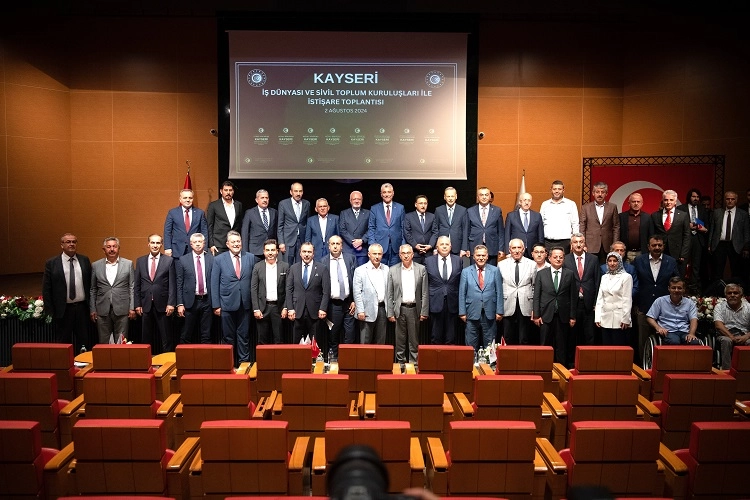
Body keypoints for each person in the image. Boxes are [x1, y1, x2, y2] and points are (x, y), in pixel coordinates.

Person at [632, 235, 680, 362]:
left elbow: (676, 283)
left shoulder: (671, 261)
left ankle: (663, 366)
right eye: (654, 245)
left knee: (665, 341)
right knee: (643, 341)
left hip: (665, 310)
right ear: (648, 247)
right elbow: (634, 283)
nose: (657, 247)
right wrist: (636, 305)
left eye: (659, 245)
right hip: (643, 307)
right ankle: (643, 367)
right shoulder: (639, 260)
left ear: (663, 246)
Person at [211, 230, 253, 364]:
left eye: (238, 241)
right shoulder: (219, 259)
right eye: (233, 242)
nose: (236, 244)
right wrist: (216, 305)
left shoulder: (250, 257)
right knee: (228, 337)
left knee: (244, 336)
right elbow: (214, 283)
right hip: (226, 304)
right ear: (227, 244)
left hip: (245, 304)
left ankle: (244, 364)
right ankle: (228, 364)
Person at [42, 233, 92, 347]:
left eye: (74, 242)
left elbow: (90, 284)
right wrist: (50, 311)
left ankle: (83, 359)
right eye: (68, 242)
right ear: (62, 245)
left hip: (82, 309)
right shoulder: (52, 263)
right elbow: (46, 289)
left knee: (84, 341)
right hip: (63, 310)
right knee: (63, 343)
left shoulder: (84, 260)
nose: (71, 244)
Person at [533, 247, 578, 365]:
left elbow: (573, 296)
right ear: (549, 258)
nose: (558, 259)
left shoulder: (569, 274)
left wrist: (572, 316)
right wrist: (536, 315)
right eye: (555, 257)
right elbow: (536, 296)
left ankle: (561, 370)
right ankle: (543, 367)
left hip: (563, 315)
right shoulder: (541, 274)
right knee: (544, 344)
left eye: (561, 257)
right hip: (545, 315)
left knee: (561, 345)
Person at [386, 244, 429, 365]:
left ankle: (414, 364)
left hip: (414, 309)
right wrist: (390, 312)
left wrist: (424, 311)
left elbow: (425, 292)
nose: (406, 256)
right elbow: (389, 294)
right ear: (400, 255)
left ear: (412, 254)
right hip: (399, 309)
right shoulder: (393, 270)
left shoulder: (421, 269)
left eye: (408, 253)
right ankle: (400, 364)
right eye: (403, 253)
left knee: (414, 340)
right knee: (399, 339)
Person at [134, 234, 176, 353]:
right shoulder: (140, 261)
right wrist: (137, 304)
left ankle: (167, 360)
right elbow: (137, 285)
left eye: (158, 243)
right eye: (153, 243)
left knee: (166, 337)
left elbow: (172, 284)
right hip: (145, 304)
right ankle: (145, 361)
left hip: (163, 305)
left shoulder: (169, 261)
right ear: (148, 244)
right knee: (145, 337)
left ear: (161, 245)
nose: (155, 245)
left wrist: (171, 303)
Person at [89, 237, 135, 344]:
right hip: (102, 309)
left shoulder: (128, 264)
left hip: (122, 308)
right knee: (103, 342)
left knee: (122, 341)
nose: (112, 249)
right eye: (108, 247)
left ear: (119, 248)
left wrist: (132, 307)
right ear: (104, 249)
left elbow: (131, 287)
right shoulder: (96, 265)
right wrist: (92, 309)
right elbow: (93, 289)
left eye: (114, 246)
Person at [459, 245, 504, 352]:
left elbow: (499, 292)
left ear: (487, 256)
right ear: (474, 256)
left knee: (490, 346)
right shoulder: (466, 271)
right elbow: (462, 293)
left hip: (490, 313)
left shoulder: (495, 270)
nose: (481, 258)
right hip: (471, 312)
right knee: (470, 346)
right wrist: (462, 312)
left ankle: (489, 362)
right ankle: (472, 362)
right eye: (478, 255)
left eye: (483, 255)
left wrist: (500, 311)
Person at [286, 241, 330, 345]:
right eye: (304, 251)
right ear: (300, 253)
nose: (306, 254)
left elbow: (326, 291)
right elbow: (289, 290)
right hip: (297, 311)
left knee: (315, 345)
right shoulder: (293, 268)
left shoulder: (322, 268)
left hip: (315, 312)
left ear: (313, 254)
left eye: (309, 252)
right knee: (296, 345)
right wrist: (290, 309)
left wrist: (323, 308)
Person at [176, 233, 214, 345]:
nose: (198, 244)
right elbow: (179, 283)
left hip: (207, 301)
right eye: (195, 242)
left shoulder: (211, 259)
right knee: (186, 334)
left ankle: (206, 355)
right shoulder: (183, 260)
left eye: (200, 242)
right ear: (191, 244)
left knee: (206, 334)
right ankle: (184, 356)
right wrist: (180, 304)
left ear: (204, 243)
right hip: (190, 302)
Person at [563, 233, 599, 348]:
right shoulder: (565, 260)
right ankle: (571, 359)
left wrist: (596, 302)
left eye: (581, 242)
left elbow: (597, 282)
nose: (578, 245)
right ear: (571, 244)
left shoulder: (593, 259)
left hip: (589, 303)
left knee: (589, 335)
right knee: (572, 336)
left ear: (584, 243)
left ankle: (588, 359)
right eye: (575, 242)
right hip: (572, 304)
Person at [424, 236, 462, 345]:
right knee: (435, 338)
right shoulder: (428, 261)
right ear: (437, 247)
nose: (444, 247)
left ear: (451, 246)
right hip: (435, 302)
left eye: (447, 244)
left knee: (451, 338)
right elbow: (425, 284)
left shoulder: (458, 260)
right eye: (442, 244)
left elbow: (460, 282)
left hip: (453, 303)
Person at [708, 190, 750, 287]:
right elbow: (712, 230)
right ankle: (717, 291)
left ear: (736, 200)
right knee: (717, 270)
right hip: (719, 244)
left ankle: (735, 291)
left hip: (736, 245)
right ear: (724, 200)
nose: (730, 201)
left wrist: (746, 247)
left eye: (732, 199)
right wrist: (709, 244)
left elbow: (746, 232)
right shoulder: (717, 212)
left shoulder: (743, 214)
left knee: (736, 270)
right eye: (728, 199)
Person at [251, 239, 289, 345]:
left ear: (277, 251)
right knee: (262, 341)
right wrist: (256, 309)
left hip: (278, 308)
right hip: (263, 308)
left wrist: (286, 307)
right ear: (264, 251)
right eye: (267, 250)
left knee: (279, 340)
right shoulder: (257, 267)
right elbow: (253, 289)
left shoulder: (285, 266)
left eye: (272, 250)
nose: (270, 253)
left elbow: (288, 289)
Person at [498, 238, 535, 345]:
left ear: (523, 249)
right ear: (509, 250)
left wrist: (534, 308)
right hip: (507, 304)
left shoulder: (532, 264)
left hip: (526, 304)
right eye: (514, 248)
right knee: (507, 337)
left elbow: (534, 286)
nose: (517, 250)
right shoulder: (501, 265)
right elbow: (498, 288)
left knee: (524, 338)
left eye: (519, 247)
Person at [324, 235, 357, 352]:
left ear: (342, 246)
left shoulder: (351, 259)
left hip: (349, 303)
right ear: (328, 246)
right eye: (332, 244)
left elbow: (355, 281)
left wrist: (354, 300)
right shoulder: (323, 262)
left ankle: (347, 358)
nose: (335, 246)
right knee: (333, 334)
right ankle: (334, 358)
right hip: (333, 305)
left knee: (350, 334)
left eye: (338, 244)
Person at [353, 243, 390, 344]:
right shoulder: (360, 270)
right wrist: (360, 310)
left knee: (381, 342)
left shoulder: (387, 269)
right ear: (369, 254)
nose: (377, 256)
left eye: (379, 254)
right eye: (374, 254)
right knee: (365, 341)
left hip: (382, 309)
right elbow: (357, 292)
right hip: (366, 310)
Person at [646, 277, 700, 345]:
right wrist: (658, 328)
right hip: (668, 331)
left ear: (684, 289)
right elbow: (650, 317)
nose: (676, 290)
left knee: (694, 342)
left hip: (684, 331)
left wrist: (692, 333)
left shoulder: (690, 303)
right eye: (673, 288)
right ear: (669, 288)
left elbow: (693, 319)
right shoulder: (660, 301)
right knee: (674, 341)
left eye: (679, 288)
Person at [649, 189, 691, 275]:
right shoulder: (655, 215)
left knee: (677, 278)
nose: (668, 202)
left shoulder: (683, 215)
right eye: (666, 200)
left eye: (671, 200)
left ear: (675, 202)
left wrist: (683, 254)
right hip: (660, 252)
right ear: (663, 201)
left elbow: (687, 236)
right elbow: (652, 235)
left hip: (678, 254)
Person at [677, 188, 711, 294]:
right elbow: (677, 224)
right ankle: (681, 286)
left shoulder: (702, 209)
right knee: (683, 264)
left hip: (698, 238)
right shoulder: (681, 208)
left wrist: (705, 229)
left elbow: (707, 224)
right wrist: (687, 225)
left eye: (697, 197)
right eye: (693, 196)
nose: (696, 199)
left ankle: (694, 287)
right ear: (689, 197)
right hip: (685, 239)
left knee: (696, 265)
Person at [595, 252, 633, 346]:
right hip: (605, 317)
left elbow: (627, 299)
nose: (612, 263)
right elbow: (600, 298)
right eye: (610, 261)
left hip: (620, 318)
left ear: (619, 262)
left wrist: (626, 319)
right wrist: (598, 317)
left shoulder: (626, 277)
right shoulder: (604, 277)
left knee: (619, 347)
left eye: (615, 261)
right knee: (607, 347)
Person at [579, 181, 620, 263]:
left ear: (606, 193)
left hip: (607, 245)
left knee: (605, 268)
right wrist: (583, 244)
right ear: (593, 193)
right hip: (590, 245)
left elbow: (616, 227)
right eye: (597, 192)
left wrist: (615, 245)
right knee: (591, 268)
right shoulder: (585, 208)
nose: (600, 194)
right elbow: (582, 226)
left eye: (602, 192)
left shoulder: (612, 207)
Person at [463, 186, 505, 265]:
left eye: (486, 195)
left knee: (491, 270)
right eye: (481, 195)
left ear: (490, 196)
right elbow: (466, 231)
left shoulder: (497, 210)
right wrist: (466, 248)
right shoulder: (470, 211)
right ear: (477, 197)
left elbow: (501, 231)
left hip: (492, 247)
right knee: (474, 270)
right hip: (474, 246)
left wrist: (501, 248)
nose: (484, 197)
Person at [367, 182, 405, 266]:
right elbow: (371, 228)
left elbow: (403, 227)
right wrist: (372, 246)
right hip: (379, 247)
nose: (387, 194)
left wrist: (403, 245)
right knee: (380, 271)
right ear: (381, 194)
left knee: (395, 271)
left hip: (396, 246)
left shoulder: (400, 208)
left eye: (389, 192)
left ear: (393, 193)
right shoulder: (374, 208)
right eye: (384, 192)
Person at [714, 283, 750, 369]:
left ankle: (746, 369)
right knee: (726, 341)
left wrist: (746, 337)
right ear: (725, 295)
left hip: (744, 334)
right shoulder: (719, 306)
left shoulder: (748, 307)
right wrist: (731, 336)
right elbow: (718, 325)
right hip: (725, 334)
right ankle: (727, 370)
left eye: (735, 293)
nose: (732, 295)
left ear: (741, 295)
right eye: (729, 293)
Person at [164, 189, 208, 258]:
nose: (188, 200)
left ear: (193, 199)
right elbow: (167, 231)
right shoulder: (172, 212)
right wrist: (167, 247)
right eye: (185, 198)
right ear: (180, 199)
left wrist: (204, 248)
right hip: (177, 249)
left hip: (195, 250)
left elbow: (204, 231)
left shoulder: (200, 213)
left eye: (190, 198)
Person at [540, 180, 579, 254]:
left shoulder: (571, 204)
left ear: (563, 190)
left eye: (559, 189)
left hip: (565, 242)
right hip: (547, 243)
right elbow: (541, 224)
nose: (557, 191)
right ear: (551, 190)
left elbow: (575, 224)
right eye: (554, 189)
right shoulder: (545, 204)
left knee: (565, 261)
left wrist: (575, 242)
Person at [277, 182, 310, 265]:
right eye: (296, 191)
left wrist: (307, 241)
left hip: (301, 240)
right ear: (291, 192)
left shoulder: (306, 204)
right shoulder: (283, 204)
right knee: (287, 265)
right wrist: (281, 242)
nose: (298, 193)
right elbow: (280, 225)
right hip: (288, 240)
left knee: (300, 265)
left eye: (300, 191)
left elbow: (307, 223)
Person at [206, 180, 242, 255]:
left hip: (234, 244)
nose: (228, 192)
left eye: (230, 190)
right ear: (221, 191)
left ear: (233, 191)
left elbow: (240, 224)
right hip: (219, 244)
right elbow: (209, 225)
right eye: (226, 190)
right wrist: (211, 244)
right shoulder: (214, 205)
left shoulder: (238, 205)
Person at [241, 189, 277, 262]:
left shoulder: (274, 212)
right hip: (255, 251)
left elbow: (276, 230)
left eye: (266, 198)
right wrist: (245, 252)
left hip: (270, 251)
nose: (265, 200)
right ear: (256, 200)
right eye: (262, 198)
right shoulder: (250, 213)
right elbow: (245, 233)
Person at [504, 192, 544, 259]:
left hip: (533, 250)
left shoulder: (537, 216)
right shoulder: (511, 216)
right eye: (525, 200)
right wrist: (507, 252)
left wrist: (541, 249)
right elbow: (507, 234)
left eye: (529, 200)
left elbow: (540, 235)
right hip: (516, 250)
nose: (527, 202)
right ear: (520, 202)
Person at [433, 186, 468, 259]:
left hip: (457, 246)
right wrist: (435, 247)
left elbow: (465, 230)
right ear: (444, 197)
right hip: (442, 245)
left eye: (452, 196)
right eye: (448, 196)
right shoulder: (439, 210)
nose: (450, 198)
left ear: (456, 196)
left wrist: (464, 248)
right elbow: (435, 229)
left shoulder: (463, 210)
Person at [339, 190, 371, 266]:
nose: (356, 201)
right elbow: (342, 230)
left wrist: (362, 241)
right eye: (354, 199)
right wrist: (353, 242)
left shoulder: (368, 213)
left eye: (359, 199)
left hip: (362, 250)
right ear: (350, 201)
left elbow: (371, 229)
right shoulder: (344, 213)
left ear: (362, 201)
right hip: (348, 250)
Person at [403, 195, 437, 265]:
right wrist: (415, 245)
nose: (423, 205)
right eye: (421, 203)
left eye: (425, 203)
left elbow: (435, 232)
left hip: (428, 253)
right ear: (416, 204)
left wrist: (430, 245)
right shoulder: (409, 216)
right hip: (415, 253)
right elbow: (407, 232)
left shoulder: (432, 216)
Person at [619, 192, 650, 262]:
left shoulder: (648, 217)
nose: (636, 203)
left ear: (642, 203)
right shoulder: (621, 217)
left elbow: (650, 235)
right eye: (633, 201)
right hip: (626, 253)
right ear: (629, 203)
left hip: (642, 253)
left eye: (638, 201)